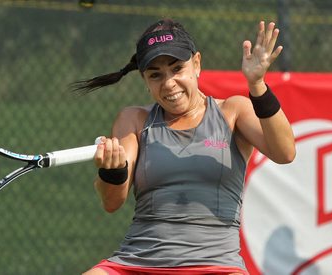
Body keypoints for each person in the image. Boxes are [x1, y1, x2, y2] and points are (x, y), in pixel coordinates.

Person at [73, 19, 296, 275]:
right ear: (145, 81)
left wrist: (257, 86)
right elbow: (112, 202)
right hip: (135, 264)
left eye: (177, 69)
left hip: (217, 267)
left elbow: (285, 152)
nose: (169, 83)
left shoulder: (233, 111)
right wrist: (110, 171)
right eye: (155, 74)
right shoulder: (133, 120)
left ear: (197, 64)